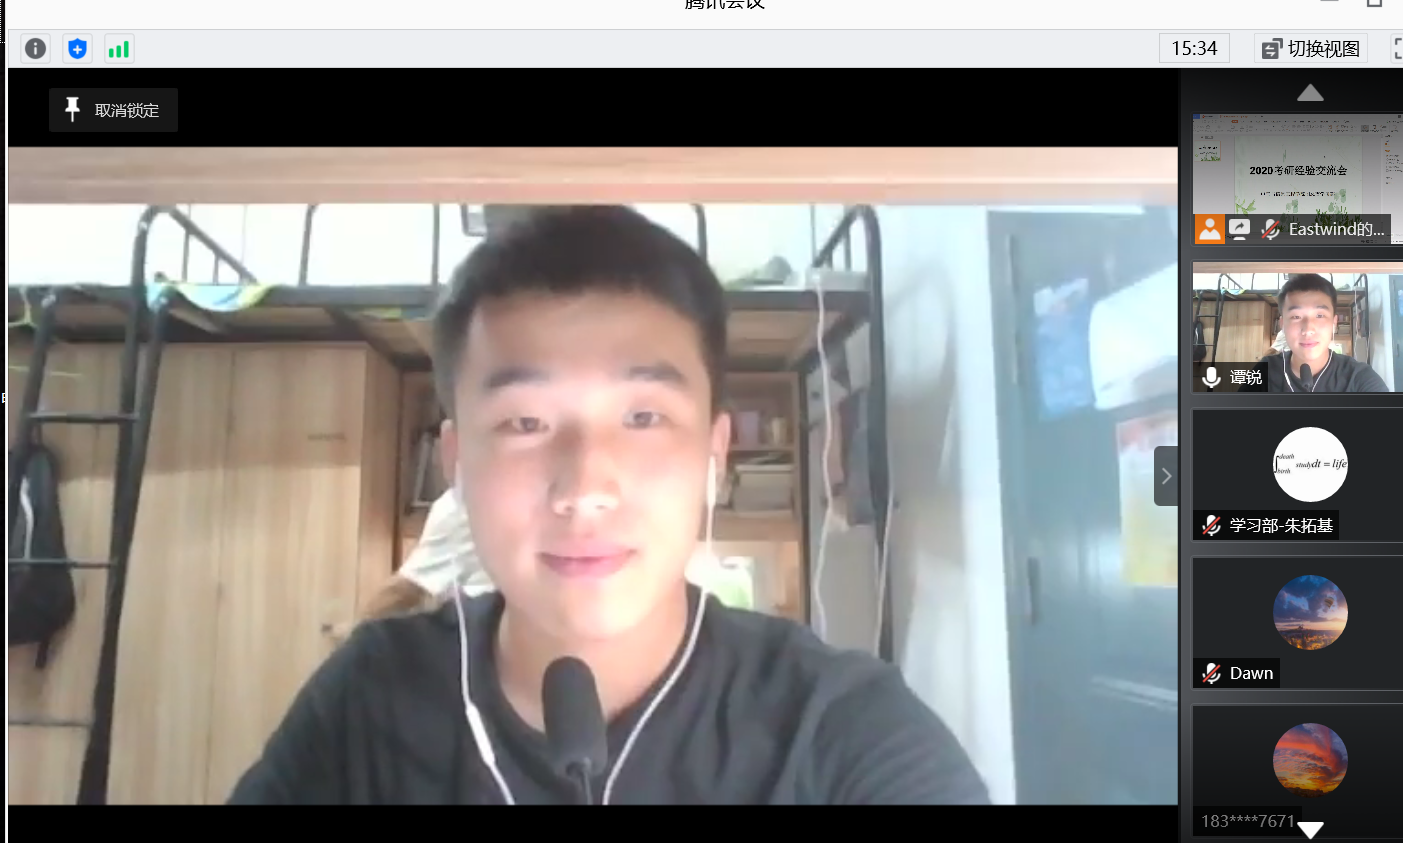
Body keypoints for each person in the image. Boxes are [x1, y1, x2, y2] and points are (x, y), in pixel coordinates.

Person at [228, 206, 989, 805]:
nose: (584, 487)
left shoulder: (842, 727)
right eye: (525, 423)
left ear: (714, 453)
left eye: (644, 417)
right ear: (456, 462)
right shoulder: (369, 700)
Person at [338, 484, 495, 635]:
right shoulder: (462, 506)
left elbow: (409, 588)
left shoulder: (462, 506)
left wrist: (355, 634)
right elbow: (409, 588)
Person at [1257, 274, 1389, 393]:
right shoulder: (1264, 371)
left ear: (1334, 322)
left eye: (1320, 315)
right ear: (1282, 324)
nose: (1308, 329)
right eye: (1296, 317)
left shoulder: (1360, 378)